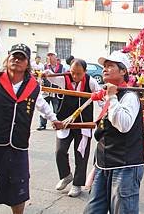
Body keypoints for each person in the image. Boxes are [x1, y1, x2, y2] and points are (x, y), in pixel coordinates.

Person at [0, 43, 63, 214]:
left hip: (17, 146)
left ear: (27, 63)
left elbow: (42, 105)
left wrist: (54, 119)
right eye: (14, 56)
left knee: (18, 190)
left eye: (21, 57)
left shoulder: (32, 85)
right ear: (8, 59)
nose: (17, 59)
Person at [84, 50, 144, 214]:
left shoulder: (129, 96)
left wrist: (111, 98)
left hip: (125, 165)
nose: (105, 69)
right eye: (104, 66)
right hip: (104, 163)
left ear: (123, 71)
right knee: (93, 210)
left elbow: (123, 125)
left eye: (110, 66)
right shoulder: (111, 95)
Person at [44, 59, 102, 197]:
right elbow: (51, 77)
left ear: (85, 72)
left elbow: (100, 98)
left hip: (83, 123)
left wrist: (104, 112)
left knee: (81, 154)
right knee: (60, 151)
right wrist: (46, 73)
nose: (75, 76)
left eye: (78, 74)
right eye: (73, 73)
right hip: (65, 121)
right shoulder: (65, 78)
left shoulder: (91, 81)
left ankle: (77, 184)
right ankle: (66, 175)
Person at [37, 50, 64, 131]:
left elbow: (64, 78)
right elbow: (39, 77)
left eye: (52, 55)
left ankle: (57, 123)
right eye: (49, 56)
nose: (50, 57)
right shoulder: (44, 66)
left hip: (56, 91)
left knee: (56, 108)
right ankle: (42, 124)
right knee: (43, 107)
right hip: (46, 90)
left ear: (55, 57)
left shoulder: (61, 67)